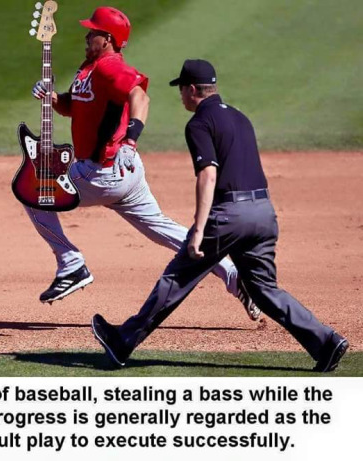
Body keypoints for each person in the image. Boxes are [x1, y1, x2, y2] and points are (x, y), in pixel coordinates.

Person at [91, 59, 349, 372]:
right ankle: (326, 342)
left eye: (181, 90)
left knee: (177, 277)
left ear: (192, 90)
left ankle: (122, 342)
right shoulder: (240, 117)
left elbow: (208, 173)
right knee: (264, 290)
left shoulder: (199, 123)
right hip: (263, 213)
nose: (181, 96)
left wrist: (199, 229)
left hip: (229, 216)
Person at [29, 7, 259, 321]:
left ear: (108, 39)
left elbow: (140, 97)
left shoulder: (110, 66)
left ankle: (71, 264)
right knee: (160, 228)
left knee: (36, 191)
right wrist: (53, 98)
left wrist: (130, 139)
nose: (87, 36)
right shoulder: (90, 67)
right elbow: (74, 107)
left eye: (93, 32)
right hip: (124, 172)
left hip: (103, 171)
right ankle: (234, 275)